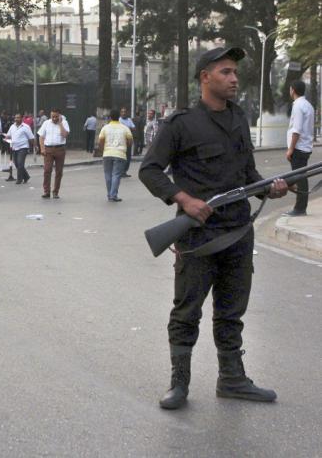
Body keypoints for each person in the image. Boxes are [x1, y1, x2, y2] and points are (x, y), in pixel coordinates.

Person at [139, 47, 289, 411]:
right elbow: (150, 170)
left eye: (235, 72)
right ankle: (179, 383)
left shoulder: (239, 118)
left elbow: (246, 173)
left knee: (231, 311)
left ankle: (233, 379)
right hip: (198, 237)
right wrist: (184, 200)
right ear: (205, 77)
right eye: (225, 72)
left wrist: (268, 186)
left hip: (238, 232)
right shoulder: (181, 124)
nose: (234, 78)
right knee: (187, 310)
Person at [284, 79, 315, 217]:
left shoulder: (298, 106)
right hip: (306, 146)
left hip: (298, 148)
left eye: (290, 89)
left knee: (299, 178)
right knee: (301, 177)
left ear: (293, 90)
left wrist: (290, 149)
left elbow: (296, 130)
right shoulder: (308, 105)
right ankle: (300, 207)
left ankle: (300, 208)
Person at [98, 109, 132, 202]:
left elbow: (100, 141)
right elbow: (130, 141)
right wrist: (125, 146)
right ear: (119, 117)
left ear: (110, 117)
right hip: (120, 154)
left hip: (107, 153)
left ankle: (110, 194)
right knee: (116, 175)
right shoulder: (125, 128)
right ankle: (113, 195)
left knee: (108, 174)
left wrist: (103, 151)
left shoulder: (105, 128)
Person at [37, 108, 70, 199]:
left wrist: (60, 124)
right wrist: (42, 148)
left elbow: (65, 135)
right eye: (52, 116)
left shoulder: (64, 123)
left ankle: (55, 192)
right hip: (48, 150)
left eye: (56, 116)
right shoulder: (46, 123)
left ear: (59, 116)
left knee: (59, 172)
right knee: (47, 170)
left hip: (60, 149)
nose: (54, 118)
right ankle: (46, 191)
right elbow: (41, 137)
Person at [5, 113, 34, 184]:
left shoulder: (26, 127)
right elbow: (8, 135)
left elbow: (31, 138)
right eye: (15, 118)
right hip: (14, 147)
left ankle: (19, 179)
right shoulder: (12, 126)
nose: (16, 119)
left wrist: (34, 146)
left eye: (18, 118)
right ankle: (26, 176)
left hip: (23, 147)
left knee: (20, 163)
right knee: (16, 164)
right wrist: (6, 137)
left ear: (22, 118)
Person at [119, 107, 135, 177]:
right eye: (122, 112)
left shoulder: (129, 120)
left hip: (128, 141)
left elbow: (134, 128)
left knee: (128, 157)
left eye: (125, 112)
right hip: (121, 141)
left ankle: (124, 171)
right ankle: (120, 172)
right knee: (122, 157)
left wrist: (125, 128)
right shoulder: (119, 120)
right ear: (120, 113)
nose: (124, 113)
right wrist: (128, 128)